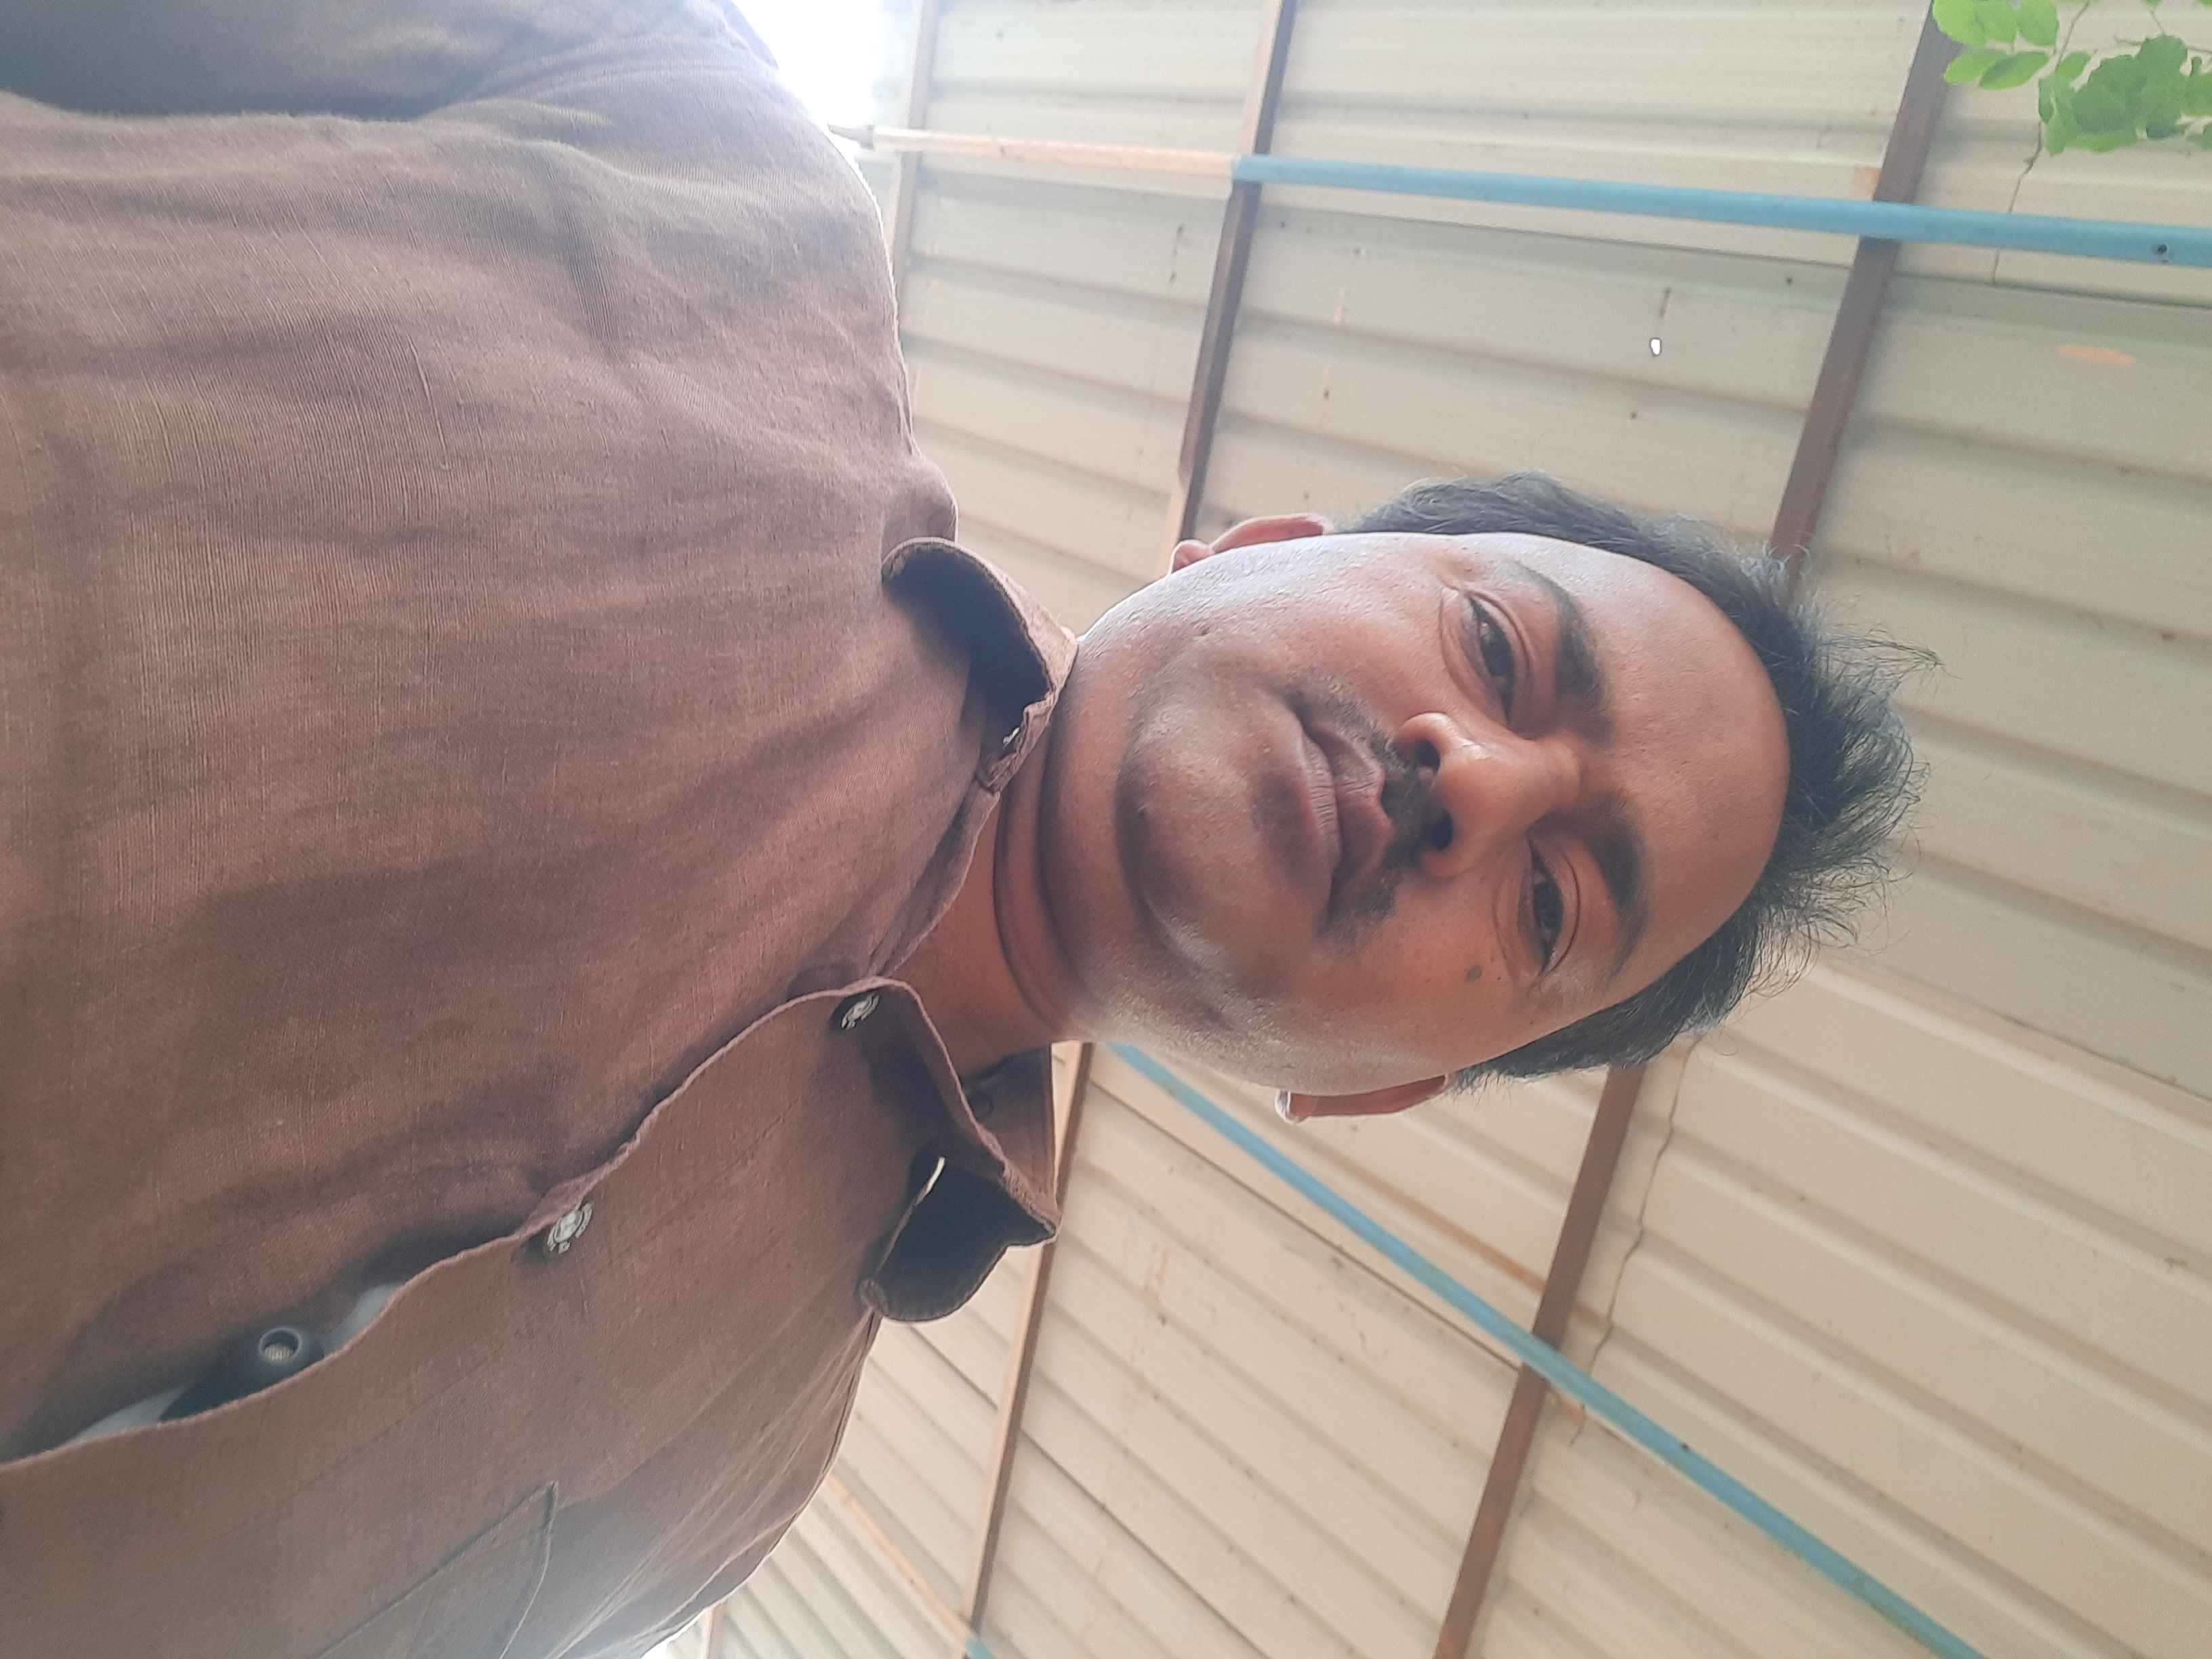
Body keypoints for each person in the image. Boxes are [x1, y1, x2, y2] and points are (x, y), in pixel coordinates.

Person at [0, 3, 1921, 1656]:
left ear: (1381, 1090)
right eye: (1496, 646)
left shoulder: (725, 1478)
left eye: (1555, 903)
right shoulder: (688, 162)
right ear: (1258, 546)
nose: (1476, 784)